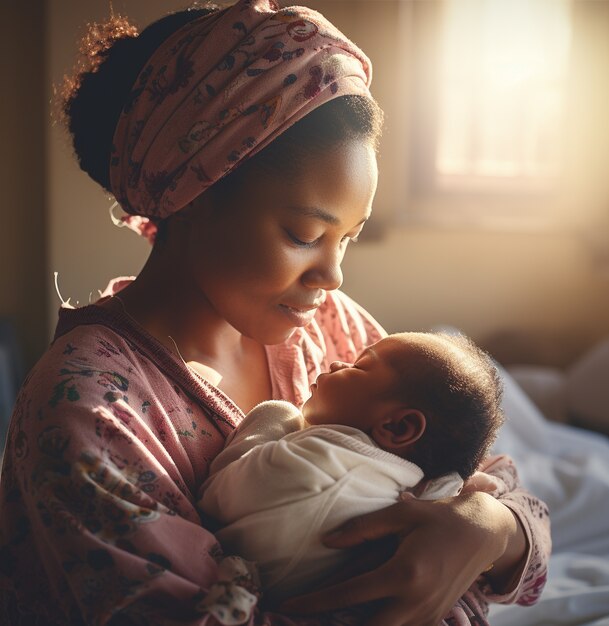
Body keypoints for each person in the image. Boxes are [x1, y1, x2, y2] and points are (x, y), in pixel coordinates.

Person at [0, 1, 550, 625]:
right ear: (193, 194)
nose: (333, 276)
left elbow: (488, 476)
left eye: (348, 238)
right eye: (302, 233)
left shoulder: (324, 327)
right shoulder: (91, 411)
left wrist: (491, 529)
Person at [199, 331, 508, 608]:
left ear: (398, 426)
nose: (336, 364)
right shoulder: (434, 492)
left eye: (358, 367)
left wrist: (274, 418)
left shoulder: (322, 460)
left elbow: (215, 498)